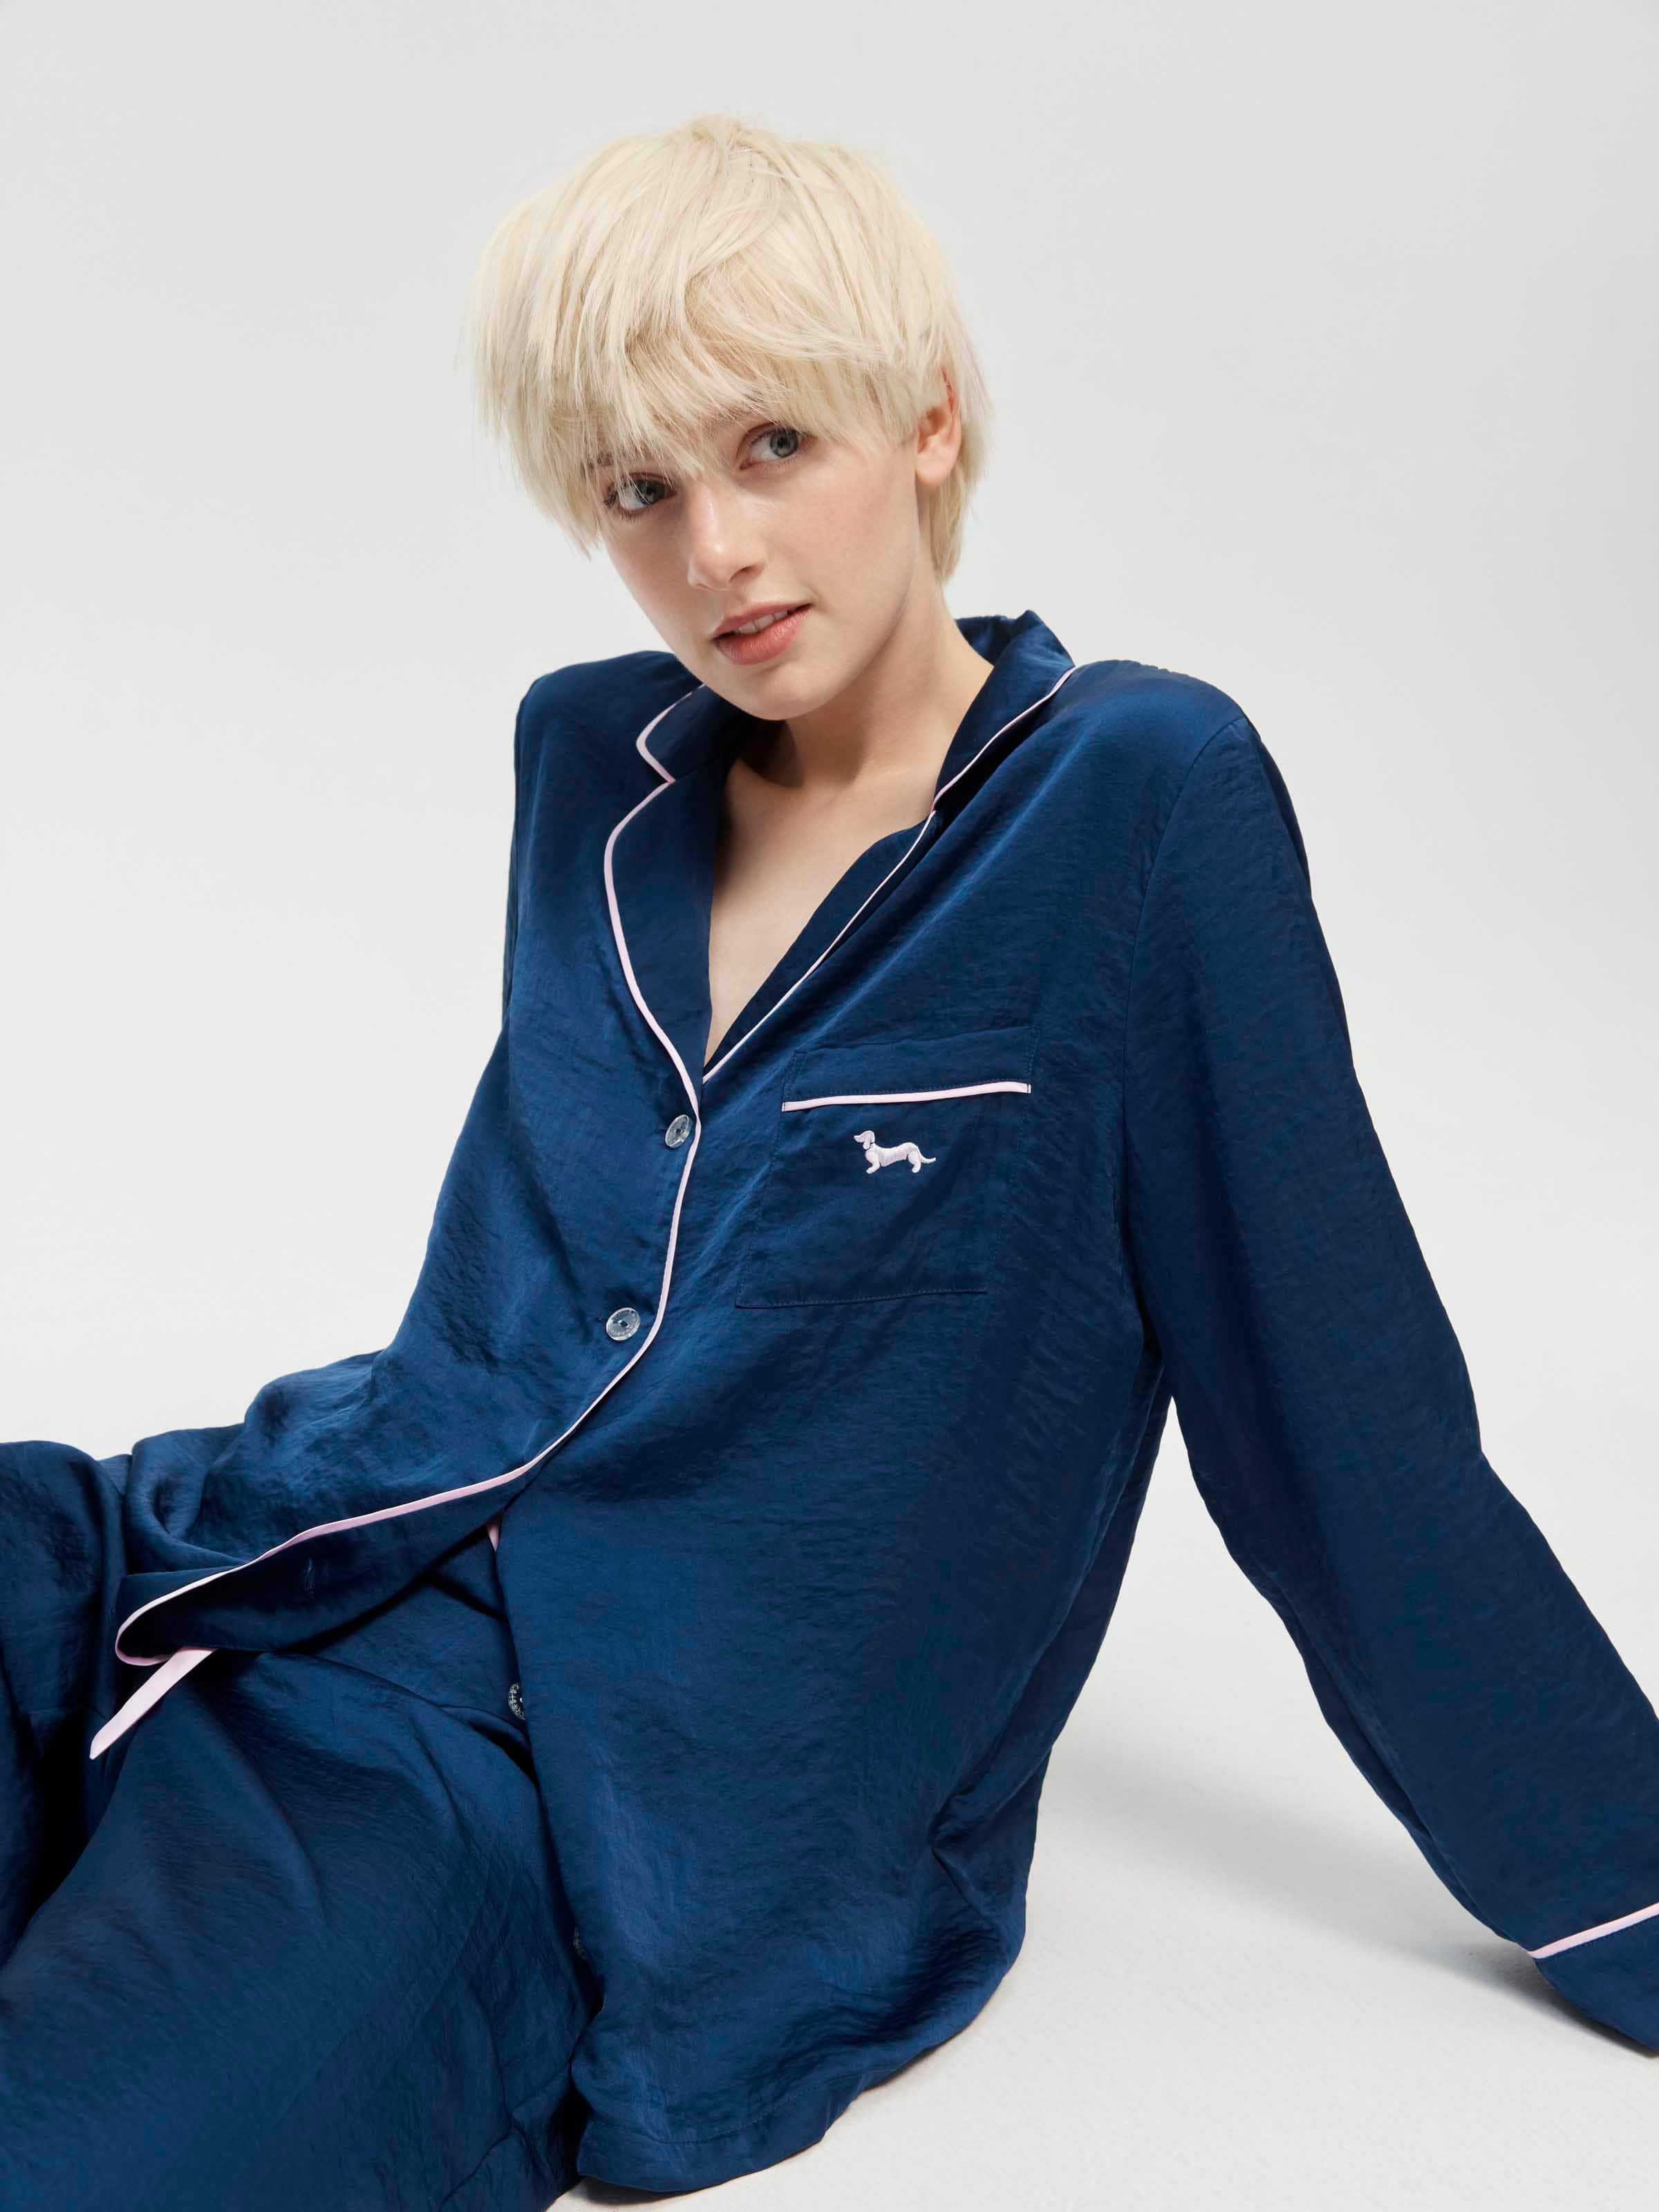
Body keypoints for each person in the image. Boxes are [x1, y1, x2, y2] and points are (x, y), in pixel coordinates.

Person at [4, 109, 1658, 2211]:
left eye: (772, 444)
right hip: (246, 1533)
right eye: (640, 490)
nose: (713, 548)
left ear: (931, 419)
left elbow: (1349, 1441)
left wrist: (1631, 1894)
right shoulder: (590, 762)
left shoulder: (1134, 803)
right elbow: (537, 1304)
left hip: (555, 1769)